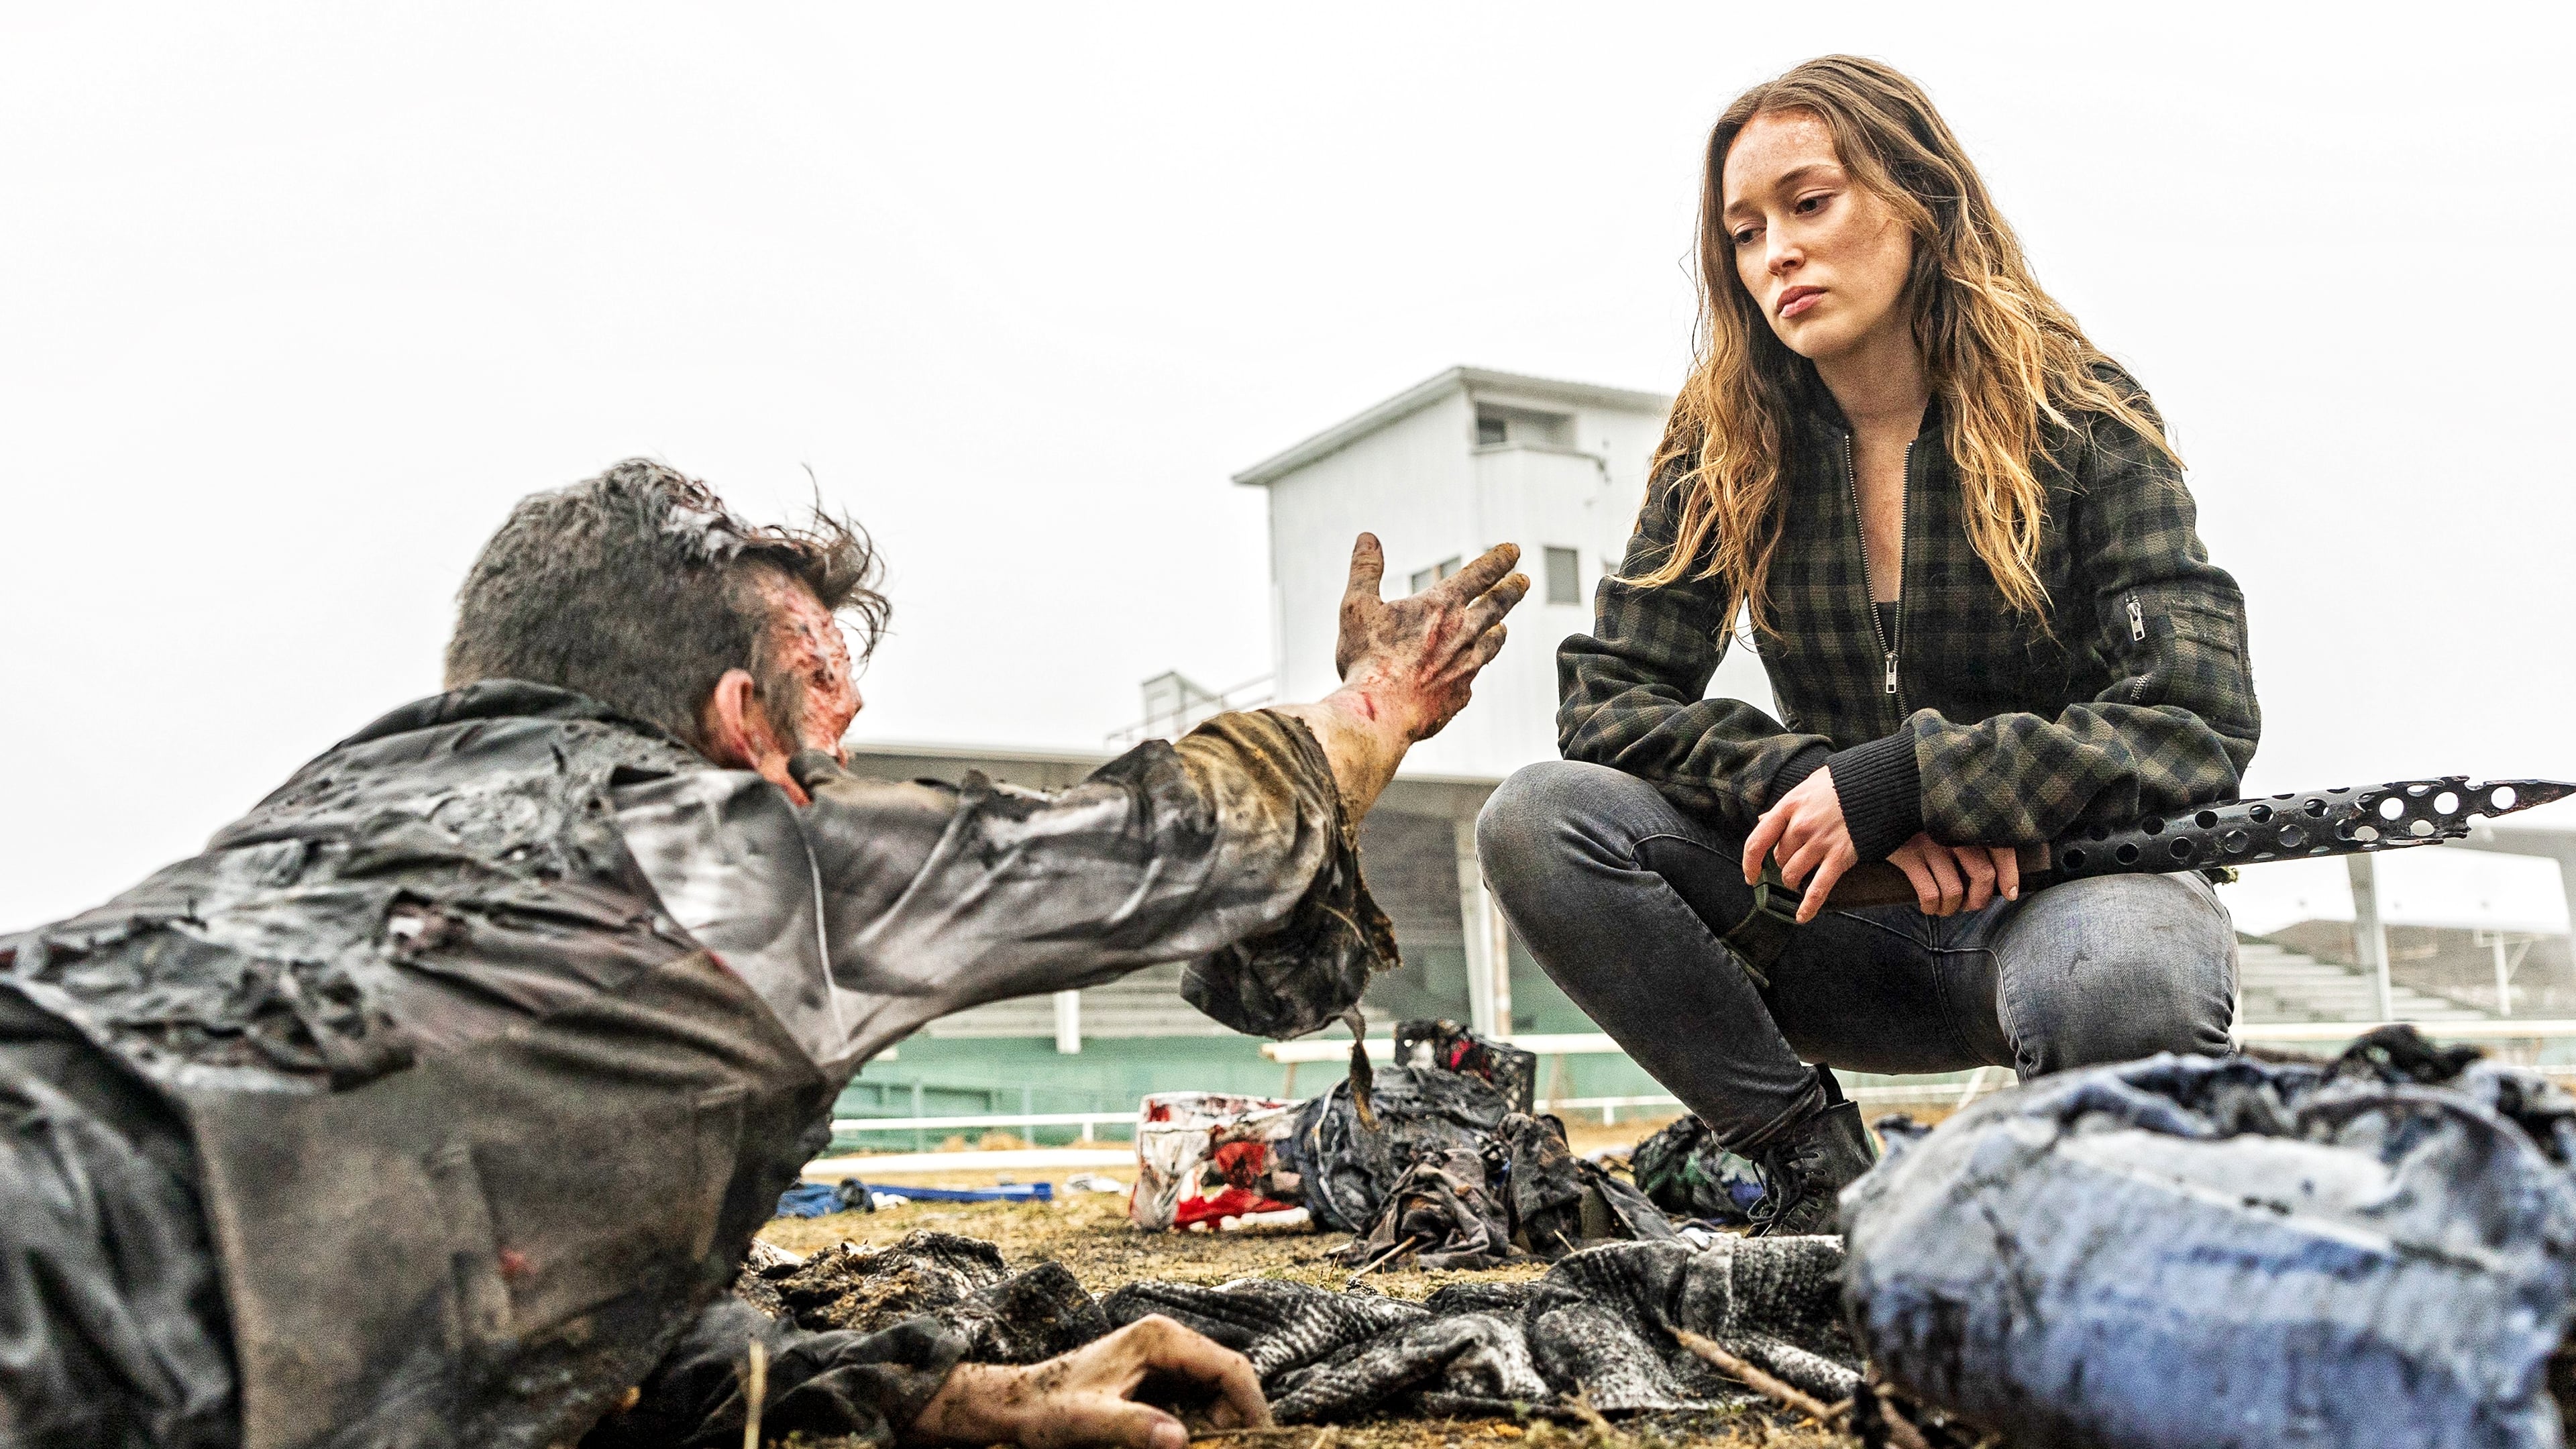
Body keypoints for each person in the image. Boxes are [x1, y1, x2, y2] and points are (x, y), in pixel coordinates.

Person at [0, 459, 1526, 1448]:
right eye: (828, 715)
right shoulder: (696, 852)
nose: (840, 766)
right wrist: (1375, 707)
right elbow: (1171, 847)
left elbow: (494, 1310)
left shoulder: (310, 833)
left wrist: (940, 1395)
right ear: (744, 723)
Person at [1477, 56, 2259, 1236]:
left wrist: (1917, 782)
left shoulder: (2083, 416)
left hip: (2064, 903)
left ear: (1918, 198)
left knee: (2130, 977)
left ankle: (2073, 1226)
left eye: (1810, 203)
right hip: (1840, 924)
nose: (1777, 255)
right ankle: (1816, 1177)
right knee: (1539, 818)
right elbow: (1606, 698)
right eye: (1745, 233)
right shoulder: (1724, 441)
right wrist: (1816, 784)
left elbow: (2196, 720)